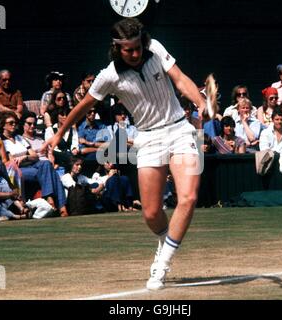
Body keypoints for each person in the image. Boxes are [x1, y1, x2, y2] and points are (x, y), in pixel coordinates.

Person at [42, 18, 205, 290]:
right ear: (117, 48)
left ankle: (162, 264)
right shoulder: (109, 76)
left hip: (180, 130)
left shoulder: (156, 49)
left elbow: (179, 79)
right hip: (148, 138)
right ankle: (164, 241)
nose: (134, 53)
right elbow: (83, 106)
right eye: (128, 49)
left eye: (137, 47)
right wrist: (59, 133)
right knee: (152, 213)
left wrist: (201, 102)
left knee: (188, 197)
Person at [1, 112, 69, 217]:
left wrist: (25, 157)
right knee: (51, 172)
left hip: (32, 165)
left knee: (46, 163)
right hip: (17, 170)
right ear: (3, 125)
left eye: (15, 123)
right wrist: (26, 158)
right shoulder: (2, 142)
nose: (14, 125)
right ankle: (61, 206)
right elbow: (12, 161)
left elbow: (35, 156)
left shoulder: (19, 138)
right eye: (11, 123)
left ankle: (50, 199)